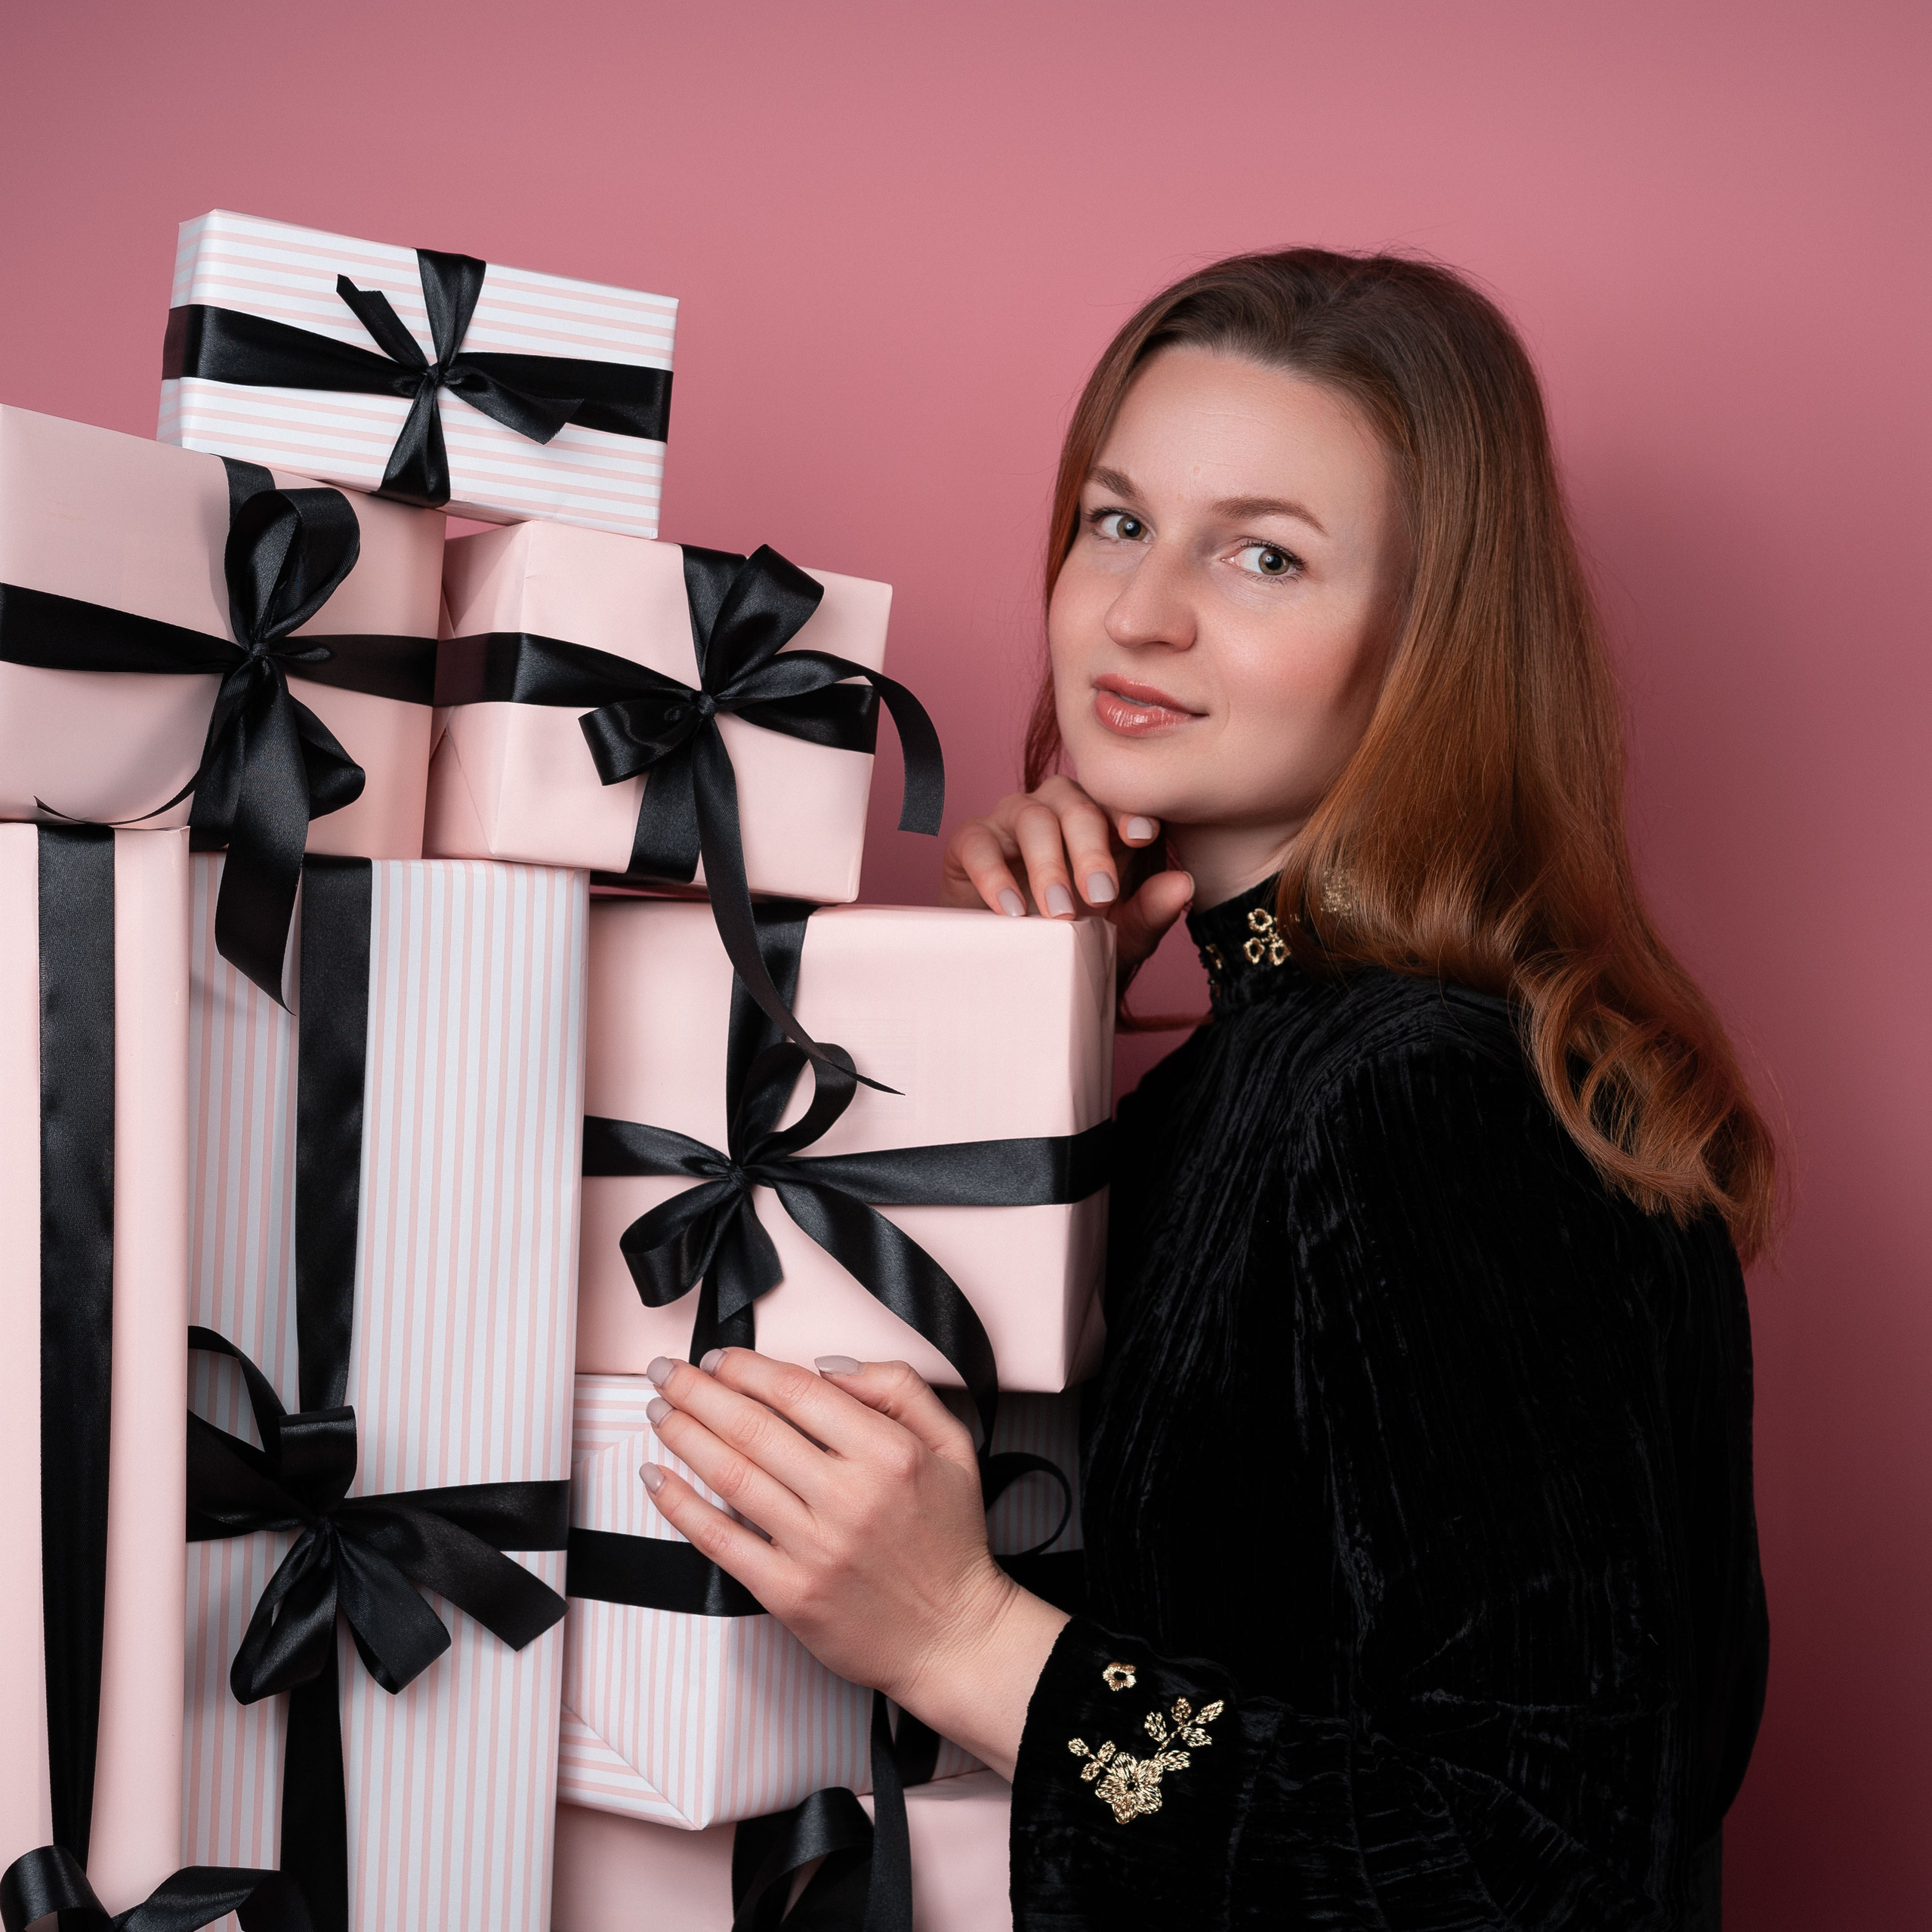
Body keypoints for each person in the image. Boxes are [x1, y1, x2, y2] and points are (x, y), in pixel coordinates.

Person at [630, 249, 1771, 1929]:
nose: (1142, 610)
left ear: (1429, 636)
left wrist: (967, 1638)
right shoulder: (1250, 1067)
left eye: (1262, 554)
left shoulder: (1425, 1097)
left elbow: (1535, 1854)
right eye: (1115, 520)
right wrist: (1024, 1036)